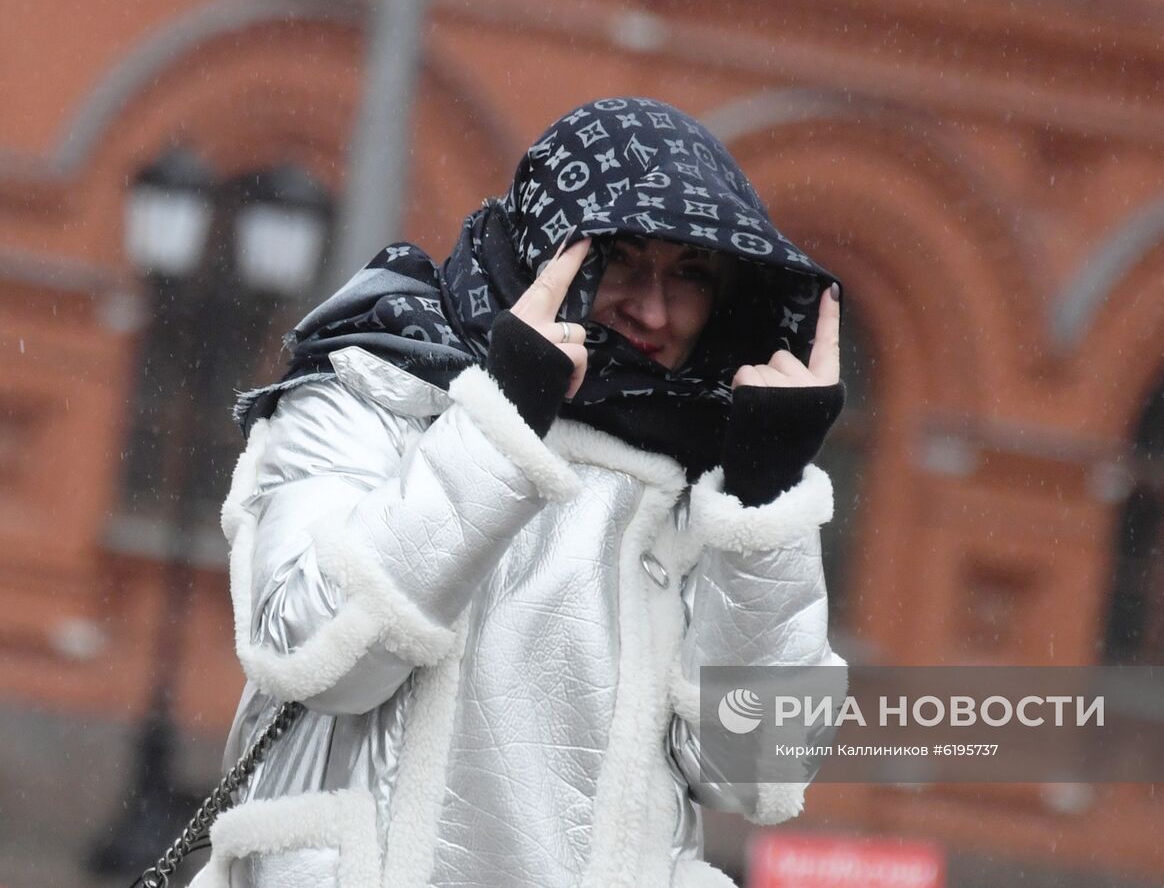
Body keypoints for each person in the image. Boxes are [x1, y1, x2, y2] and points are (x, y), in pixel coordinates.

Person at [193, 96, 847, 888]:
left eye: (691, 276)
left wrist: (764, 501)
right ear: (550, 245)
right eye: (622, 260)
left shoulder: (709, 466)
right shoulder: (378, 387)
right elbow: (320, 660)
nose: (652, 308)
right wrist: (502, 420)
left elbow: (754, 772)